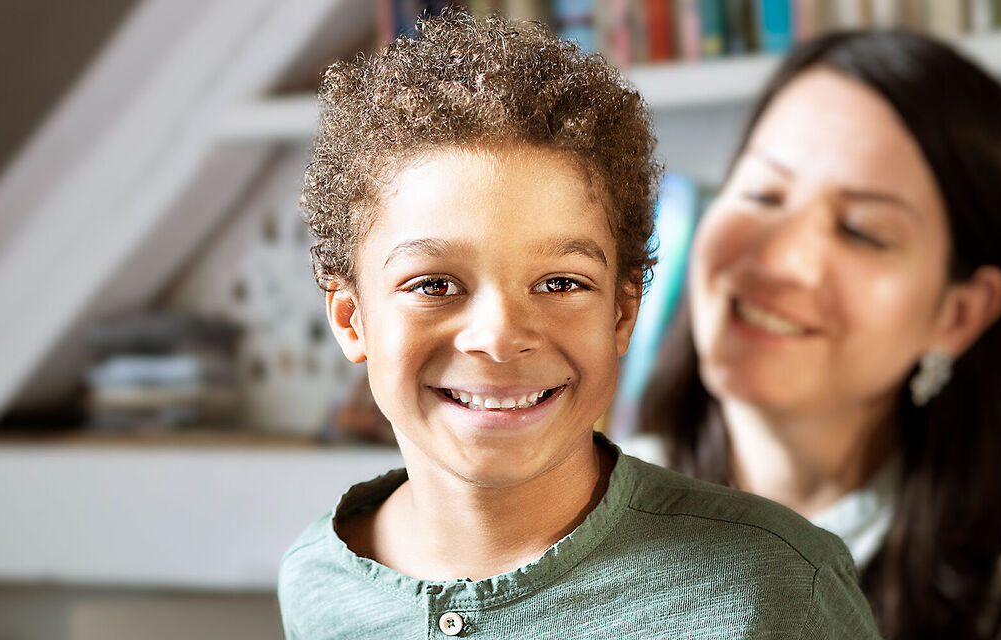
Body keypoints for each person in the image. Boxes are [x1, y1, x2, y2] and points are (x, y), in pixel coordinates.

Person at [278, 11, 880, 639]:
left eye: (560, 283)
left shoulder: (778, 585)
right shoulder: (316, 581)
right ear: (351, 320)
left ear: (622, 313)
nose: (501, 335)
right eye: (434, 285)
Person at [641, 31, 1001, 639]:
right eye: (763, 193)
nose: (783, 257)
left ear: (958, 315)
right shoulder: (565, 515)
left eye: (862, 231)